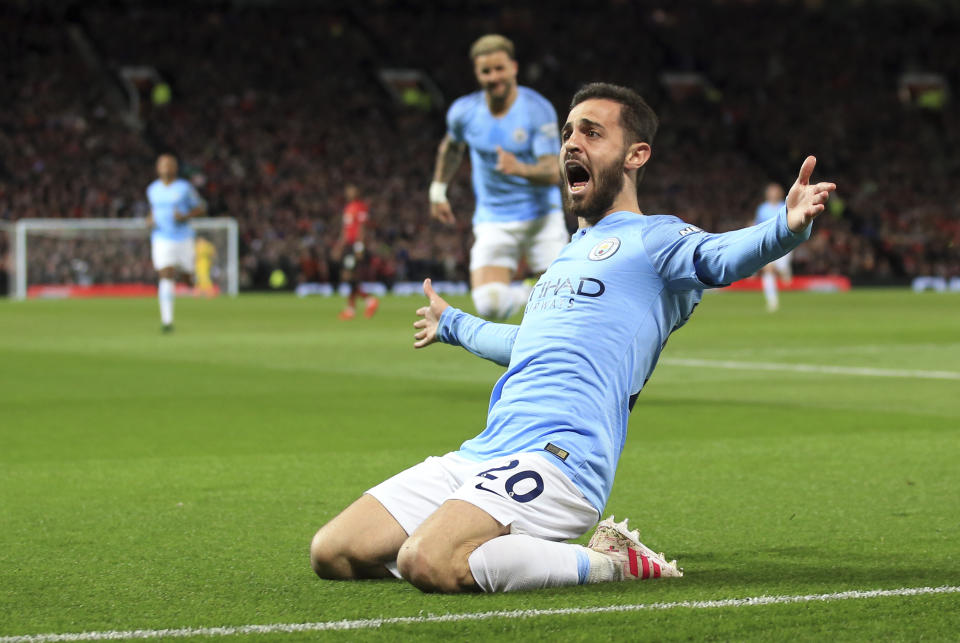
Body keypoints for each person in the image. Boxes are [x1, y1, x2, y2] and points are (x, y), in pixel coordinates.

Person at [311, 83, 836, 593]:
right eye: (567, 132)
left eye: (591, 132)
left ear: (636, 155)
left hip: (560, 458)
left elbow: (717, 257)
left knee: (427, 559)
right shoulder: (567, 254)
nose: (570, 143)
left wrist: (783, 227)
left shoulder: (655, 239)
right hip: (487, 451)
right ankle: (475, 557)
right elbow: (528, 348)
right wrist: (454, 325)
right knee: (334, 551)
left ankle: (608, 562)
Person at [429, 34, 567, 320]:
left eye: (499, 69)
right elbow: (451, 148)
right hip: (493, 219)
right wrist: (438, 191)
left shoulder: (536, 110)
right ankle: (530, 291)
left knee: (562, 308)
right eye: (486, 71)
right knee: (490, 306)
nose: (494, 77)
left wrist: (520, 169)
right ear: (477, 74)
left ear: (514, 67)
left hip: (541, 218)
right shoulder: (464, 112)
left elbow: (554, 172)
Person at [145, 154, 206, 332]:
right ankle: (167, 321)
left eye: (169, 164)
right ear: (157, 168)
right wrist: (149, 220)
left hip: (183, 237)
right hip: (161, 238)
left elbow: (201, 207)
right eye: (163, 164)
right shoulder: (152, 189)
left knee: (187, 277)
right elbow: (153, 211)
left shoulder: (185, 188)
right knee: (166, 273)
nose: (166, 167)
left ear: (175, 168)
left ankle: (190, 281)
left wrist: (185, 216)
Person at [337, 183, 379, 320]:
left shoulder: (360, 207)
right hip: (348, 245)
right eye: (348, 190)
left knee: (348, 275)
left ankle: (367, 301)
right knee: (351, 277)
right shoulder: (348, 208)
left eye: (352, 190)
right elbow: (345, 230)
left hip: (355, 245)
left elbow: (362, 228)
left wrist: (359, 247)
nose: (349, 192)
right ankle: (352, 308)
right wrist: (339, 246)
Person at [755, 182, 790, 311]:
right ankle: (772, 301)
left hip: (784, 243)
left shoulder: (784, 206)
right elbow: (758, 225)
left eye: (775, 191)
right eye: (770, 191)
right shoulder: (762, 208)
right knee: (768, 270)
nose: (772, 194)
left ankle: (783, 271)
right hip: (768, 243)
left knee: (779, 272)